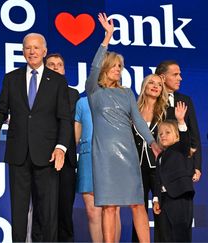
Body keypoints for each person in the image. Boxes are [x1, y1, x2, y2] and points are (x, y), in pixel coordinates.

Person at [0, 33, 72, 241]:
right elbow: (0, 109)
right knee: (19, 212)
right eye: (28, 48)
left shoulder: (57, 81)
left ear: (44, 51)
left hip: (47, 155)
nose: (32, 51)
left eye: (36, 48)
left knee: (47, 212)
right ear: (23, 52)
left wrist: (61, 147)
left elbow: (65, 119)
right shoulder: (11, 78)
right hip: (18, 153)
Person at [86, 13, 161, 242]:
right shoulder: (94, 91)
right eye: (114, 66)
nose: (118, 69)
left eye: (120, 66)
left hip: (128, 154)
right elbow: (93, 66)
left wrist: (152, 143)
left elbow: (138, 121)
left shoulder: (127, 93)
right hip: (104, 156)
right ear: (105, 68)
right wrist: (106, 37)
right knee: (109, 206)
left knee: (137, 203)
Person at [75, 96, 121, 242]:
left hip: (112, 157)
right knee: (92, 212)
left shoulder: (119, 100)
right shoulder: (82, 103)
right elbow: (75, 136)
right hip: (87, 157)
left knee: (112, 210)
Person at [45, 53, 79, 242]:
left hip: (66, 159)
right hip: (41, 157)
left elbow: (65, 121)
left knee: (65, 211)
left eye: (60, 65)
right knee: (44, 211)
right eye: (51, 65)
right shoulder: (33, 93)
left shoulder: (72, 94)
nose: (56, 67)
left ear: (64, 70)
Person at [131, 74, 168, 241]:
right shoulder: (133, 110)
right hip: (137, 169)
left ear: (162, 90)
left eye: (159, 84)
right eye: (151, 83)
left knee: (161, 210)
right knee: (138, 211)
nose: (155, 86)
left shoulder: (166, 112)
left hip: (160, 169)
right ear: (144, 86)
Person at [155, 61, 202, 183]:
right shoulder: (151, 100)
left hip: (182, 164)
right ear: (162, 77)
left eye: (179, 74)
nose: (180, 78)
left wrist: (196, 165)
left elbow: (194, 135)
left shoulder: (185, 100)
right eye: (175, 75)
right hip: (157, 163)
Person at [153, 104, 195, 242]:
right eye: (160, 134)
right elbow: (158, 179)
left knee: (181, 234)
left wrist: (181, 121)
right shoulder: (159, 157)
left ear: (176, 135)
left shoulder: (179, 148)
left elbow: (185, 140)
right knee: (166, 236)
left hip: (180, 197)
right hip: (165, 199)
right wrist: (156, 199)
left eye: (167, 132)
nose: (163, 136)